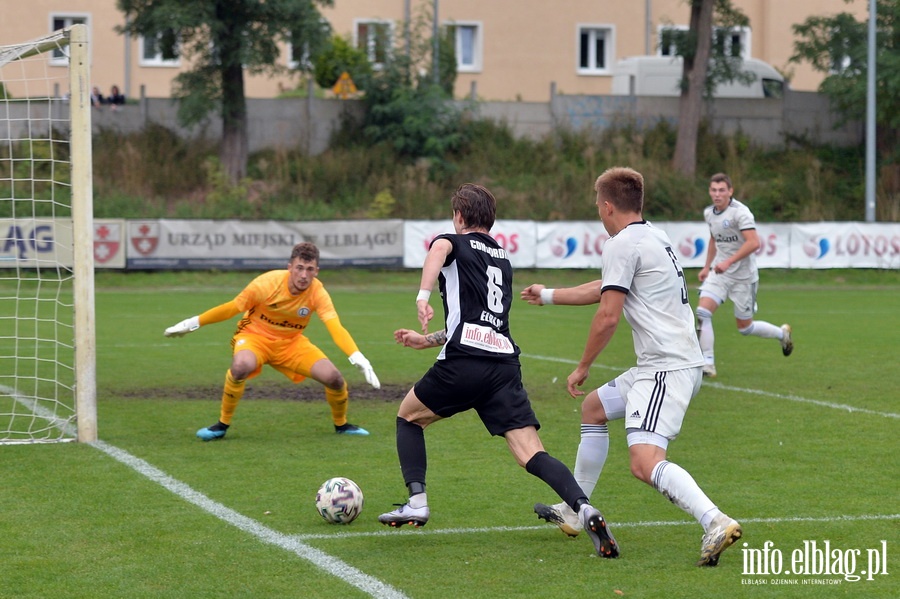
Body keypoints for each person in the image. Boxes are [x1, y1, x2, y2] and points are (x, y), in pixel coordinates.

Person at [378, 183, 618, 559]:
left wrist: (422, 297)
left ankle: (417, 502)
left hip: (464, 362)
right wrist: (424, 340)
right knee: (530, 453)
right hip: (503, 366)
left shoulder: (451, 242)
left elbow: (438, 249)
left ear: (459, 217)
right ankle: (583, 507)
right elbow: (480, 321)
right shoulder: (503, 259)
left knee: (408, 418)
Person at [523, 167, 742, 567]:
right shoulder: (652, 235)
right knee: (594, 408)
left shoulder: (622, 244)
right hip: (662, 364)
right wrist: (550, 295)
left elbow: (608, 315)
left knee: (644, 462)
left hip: (666, 368)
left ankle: (716, 520)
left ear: (607, 206)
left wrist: (582, 365)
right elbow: (607, 285)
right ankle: (575, 510)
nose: (598, 211)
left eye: (597, 205)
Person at [164, 242, 380, 440]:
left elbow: (335, 327)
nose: (304, 275)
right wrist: (192, 323)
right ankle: (221, 425)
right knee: (241, 367)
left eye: (310, 269)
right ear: (290, 267)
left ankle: (342, 425)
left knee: (334, 378)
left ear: (317, 271)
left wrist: (356, 356)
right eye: (299, 268)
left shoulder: (318, 292)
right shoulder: (265, 284)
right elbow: (231, 308)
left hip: (291, 343)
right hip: (254, 337)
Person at [696, 173, 793, 377]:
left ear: (730, 191)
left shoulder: (741, 213)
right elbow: (714, 239)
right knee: (703, 313)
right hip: (720, 274)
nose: (717, 194)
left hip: (743, 278)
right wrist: (706, 267)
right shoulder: (709, 214)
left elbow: (754, 242)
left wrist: (729, 261)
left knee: (745, 328)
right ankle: (708, 364)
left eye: (722, 190)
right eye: (713, 190)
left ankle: (781, 334)